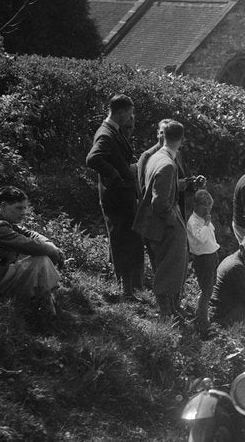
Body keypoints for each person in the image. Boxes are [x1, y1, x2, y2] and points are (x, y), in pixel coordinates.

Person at [85, 94, 144, 298]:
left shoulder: (113, 130)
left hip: (121, 195)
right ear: (120, 113)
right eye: (128, 114)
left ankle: (129, 288)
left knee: (126, 239)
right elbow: (93, 159)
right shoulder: (106, 134)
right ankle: (125, 291)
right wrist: (115, 175)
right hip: (116, 198)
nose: (130, 118)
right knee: (121, 241)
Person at [0, 186, 64, 311]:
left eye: (24, 208)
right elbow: (28, 245)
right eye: (19, 208)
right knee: (40, 260)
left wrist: (49, 244)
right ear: (3, 206)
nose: (23, 212)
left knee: (38, 254)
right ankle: (44, 307)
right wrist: (52, 250)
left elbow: (28, 233)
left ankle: (44, 300)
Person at [134, 119, 188, 321]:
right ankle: (166, 314)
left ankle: (170, 311)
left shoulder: (155, 156)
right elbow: (159, 203)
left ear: (163, 135)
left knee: (166, 267)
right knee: (170, 268)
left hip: (154, 224)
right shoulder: (167, 164)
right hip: (164, 226)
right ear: (181, 139)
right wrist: (173, 221)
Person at [186, 189, 219, 336]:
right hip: (203, 259)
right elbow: (201, 238)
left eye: (209, 206)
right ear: (196, 205)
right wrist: (206, 223)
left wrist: (207, 222)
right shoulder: (193, 222)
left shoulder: (203, 220)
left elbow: (210, 235)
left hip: (211, 256)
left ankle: (203, 314)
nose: (207, 209)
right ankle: (202, 322)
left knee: (210, 288)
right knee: (206, 290)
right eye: (204, 206)